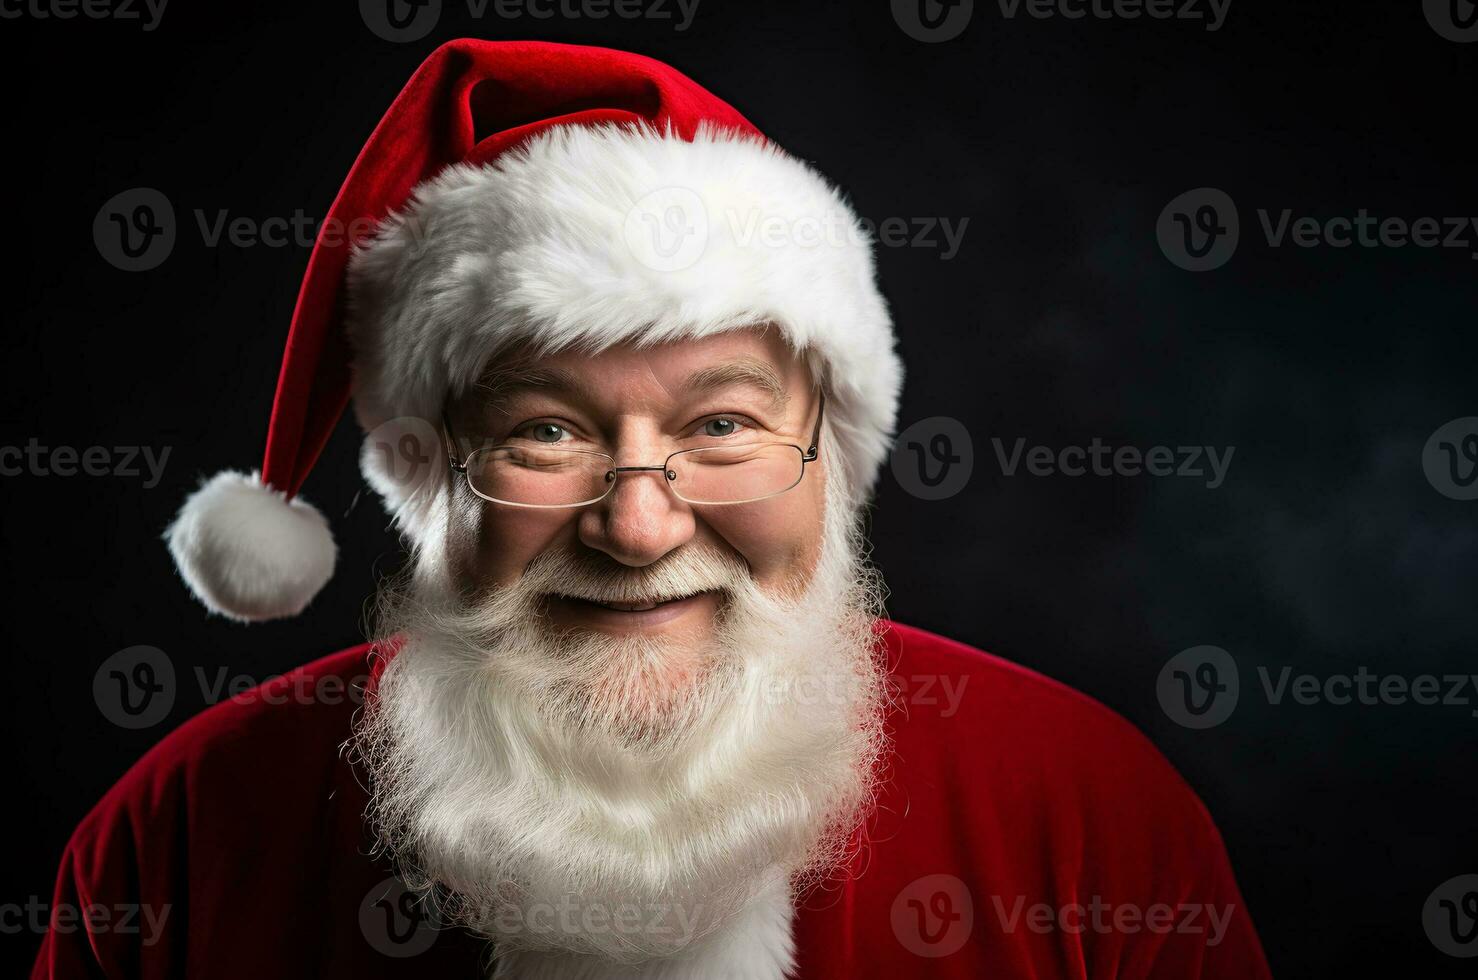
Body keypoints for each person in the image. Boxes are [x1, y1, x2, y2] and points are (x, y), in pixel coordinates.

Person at [34, 39, 1272, 979]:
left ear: (828, 454)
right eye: (545, 432)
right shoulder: (182, 837)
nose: (637, 527)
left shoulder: (1086, 811)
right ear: (423, 474)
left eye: (720, 425)